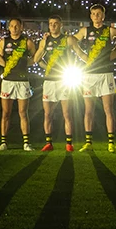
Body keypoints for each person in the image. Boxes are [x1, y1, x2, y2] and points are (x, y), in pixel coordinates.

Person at [72, 4, 116, 152]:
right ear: (90, 16)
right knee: (89, 110)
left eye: (99, 14)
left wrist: (115, 52)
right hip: (89, 74)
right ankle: (88, 142)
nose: (96, 16)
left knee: (108, 109)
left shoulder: (109, 30)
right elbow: (71, 40)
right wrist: (82, 55)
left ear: (103, 16)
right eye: (93, 14)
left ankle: (111, 142)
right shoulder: (85, 31)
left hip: (106, 73)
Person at [34, 14, 82, 153]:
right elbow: (37, 58)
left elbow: (79, 53)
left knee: (67, 113)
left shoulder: (68, 40)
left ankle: (69, 143)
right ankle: (49, 143)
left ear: (61, 25)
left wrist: (90, 62)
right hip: (49, 81)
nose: (53, 26)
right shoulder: (45, 40)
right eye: (51, 24)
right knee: (47, 114)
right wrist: (45, 64)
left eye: (56, 23)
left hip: (64, 80)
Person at [0, 16, 36, 152]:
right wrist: (8, 66)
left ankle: (26, 143)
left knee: (23, 112)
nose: (14, 28)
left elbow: (35, 57)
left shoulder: (27, 42)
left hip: (22, 81)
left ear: (21, 27)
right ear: (8, 27)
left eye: (17, 26)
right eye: (12, 26)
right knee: (6, 113)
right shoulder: (4, 42)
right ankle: (3, 142)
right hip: (8, 81)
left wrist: (24, 65)